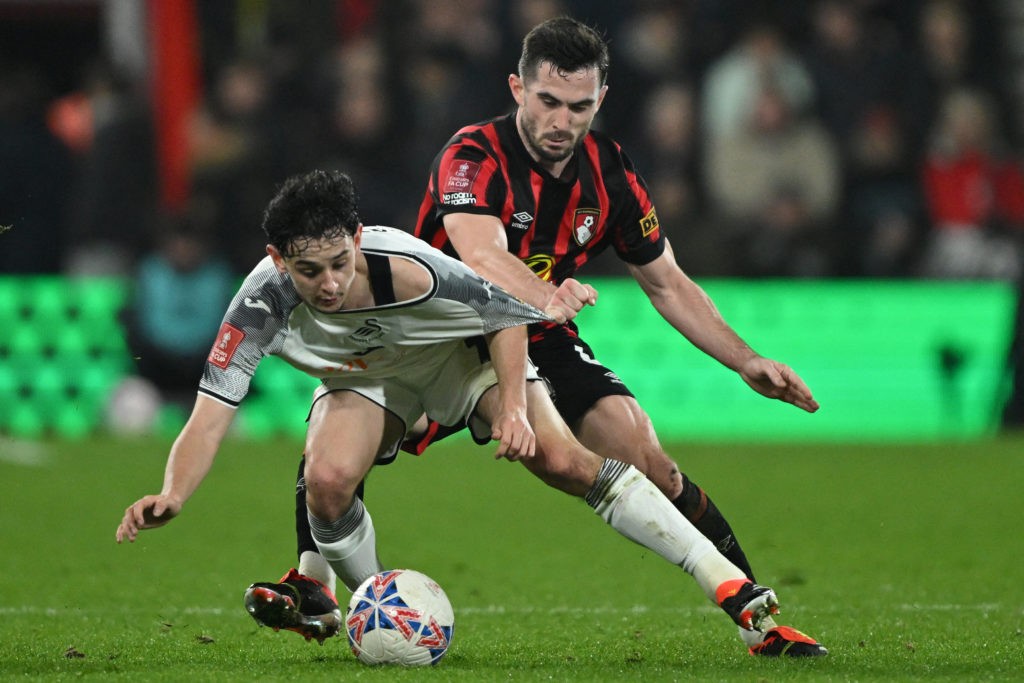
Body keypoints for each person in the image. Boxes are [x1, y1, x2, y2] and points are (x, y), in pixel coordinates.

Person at [264, 18, 827, 657]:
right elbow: (480, 256)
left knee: (643, 454)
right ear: (518, 89)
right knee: (339, 452)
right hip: (439, 334)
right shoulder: (471, 156)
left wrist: (745, 359)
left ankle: (757, 614)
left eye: (580, 106)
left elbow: (667, 282)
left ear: (601, 101)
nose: (562, 121)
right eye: (548, 102)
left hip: (538, 334)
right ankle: (313, 581)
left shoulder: (611, 173)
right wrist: (547, 296)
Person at [114, 169, 816, 658]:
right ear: (277, 260)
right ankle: (375, 607)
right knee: (326, 480)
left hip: (462, 360)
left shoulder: (412, 266)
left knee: (562, 458)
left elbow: (503, 310)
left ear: (356, 239)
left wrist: (512, 405)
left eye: (337, 262)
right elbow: (210, 412)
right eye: (308, 270)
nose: (327, 283)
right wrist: (174, 491)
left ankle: (724, 581)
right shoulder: (259, 301)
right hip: (369, 381)